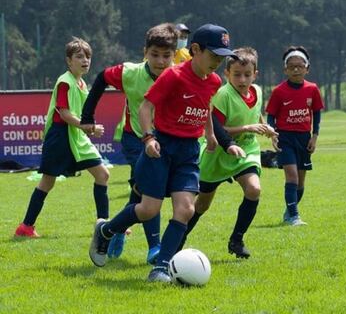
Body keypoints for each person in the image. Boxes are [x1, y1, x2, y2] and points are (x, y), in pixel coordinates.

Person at [88, 23, 240, 283]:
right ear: (195, 49)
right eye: (214, 55)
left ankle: (161, 267)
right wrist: (148, 138)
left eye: (222, 57)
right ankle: (106, 230)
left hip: (189, 152)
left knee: (186, 209)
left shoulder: (214, 81)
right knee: (148, 209)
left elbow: (204, 107)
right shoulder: (174, 76)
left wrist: (210, 133)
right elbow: (146, 108)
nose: (217, 62)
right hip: (163, 147)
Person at [81, 23, 179, 264]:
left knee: (141, 190)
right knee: (150, 189)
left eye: (166, 56)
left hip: (166, 141)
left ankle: (113, 229)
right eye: (154, 54)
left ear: (174, 55)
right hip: (135, 139)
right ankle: (155, 248)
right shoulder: (130, 72)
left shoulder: (180, 76)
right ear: (144, 51)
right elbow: (102, 76)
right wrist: (87, 116)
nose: (160, 61)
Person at [178, 47, 278, 258]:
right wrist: (247, 128)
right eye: (237, 75)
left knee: (254, 190)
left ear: (255, 74)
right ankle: (177, 241)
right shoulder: (223, 95)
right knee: (202, 205)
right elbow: (216, 130)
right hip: (219, 153)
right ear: (227, 74)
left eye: (247, 75)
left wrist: (266, 128)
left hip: (246, 150)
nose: (242, 80)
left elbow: (255, 112)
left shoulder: (257, 91)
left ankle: (236, 240)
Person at [15, 37, 110, 237]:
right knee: (47, 182)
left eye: (88, 57)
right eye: (79, 56)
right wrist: (89, 127)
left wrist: (87, 128)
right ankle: (26, 227)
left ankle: (104, 226)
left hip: (76, 136)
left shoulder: (82, 83)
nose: (85, 60)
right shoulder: (65, 82)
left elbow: (77, 116)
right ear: (69, 61)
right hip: (60, 138)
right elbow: (64, 114)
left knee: (103, 175)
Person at [266, 46, 324, 226]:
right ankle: (294, 216)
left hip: (304, 138)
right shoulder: (279, 91)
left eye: (300, 66)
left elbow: (317, 113)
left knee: (300, 181)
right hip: (285, 137)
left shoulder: (313, 89)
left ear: (307, 68)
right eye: (292, 67)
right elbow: (271, 116)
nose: (296, 70)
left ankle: (289, 211)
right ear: (285, 70)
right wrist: (273, 135)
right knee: (291, 177)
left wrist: (314, 136)